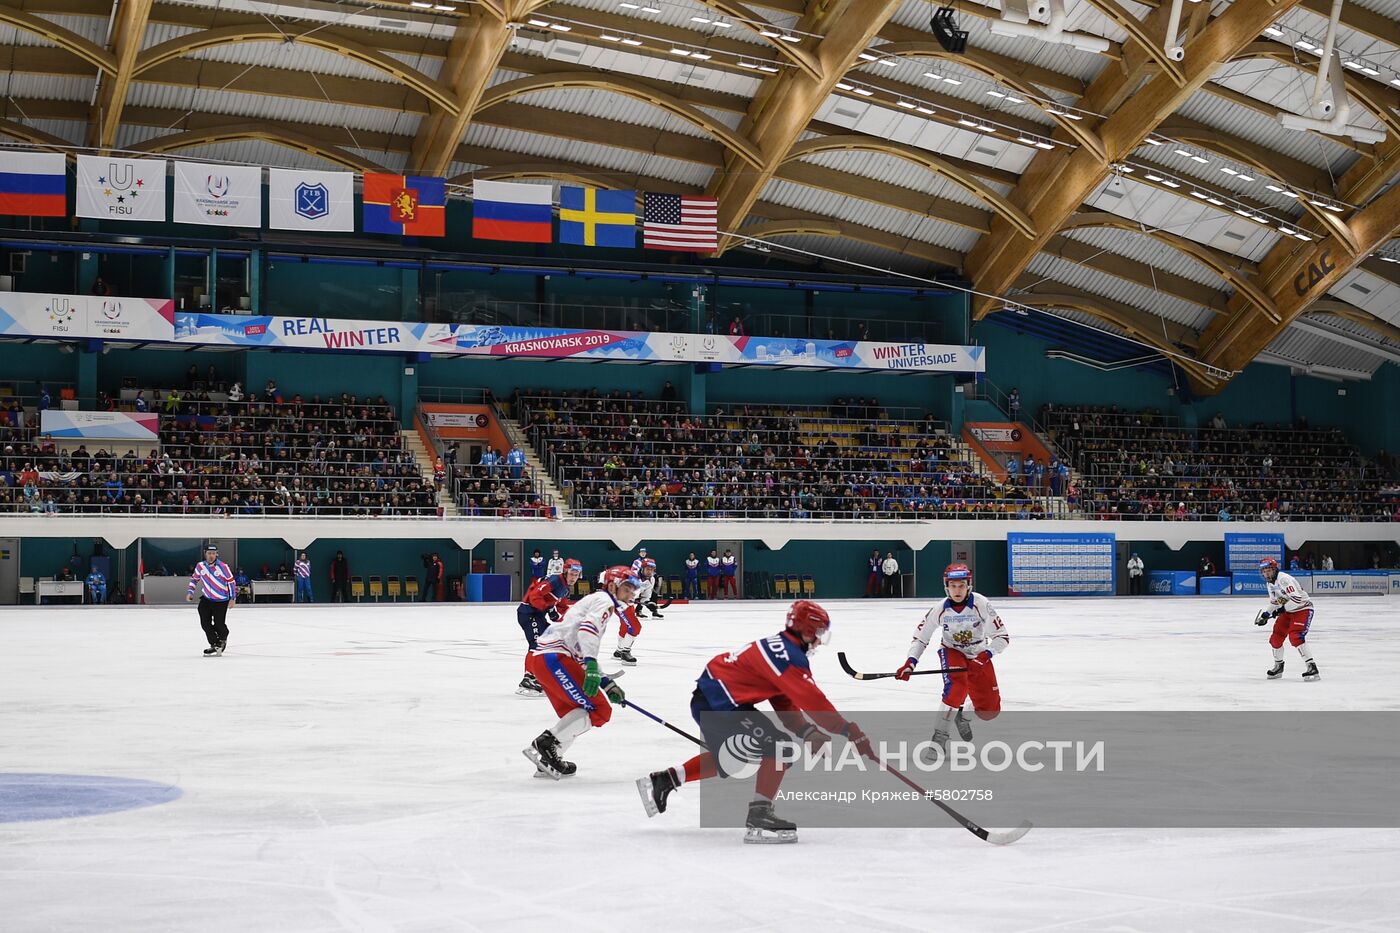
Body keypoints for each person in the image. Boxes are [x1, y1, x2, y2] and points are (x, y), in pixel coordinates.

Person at [636, 600, 876, 844]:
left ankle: (666, 779)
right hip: (719, 702)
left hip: (714, 698)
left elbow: (783, 701)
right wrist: (849, 730)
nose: (819, 641)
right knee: (780, 748)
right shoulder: (789, 656)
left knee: (734, 758)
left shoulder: (783, 648)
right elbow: (814, 700)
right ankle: (759, 815)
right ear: (808, 630)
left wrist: (807, 731)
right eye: (820, 633)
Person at [522, 565, 638, 780]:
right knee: (600, 710)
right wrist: (592, 665)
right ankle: (546, 744)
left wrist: (606, 683)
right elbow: (587, 631)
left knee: (577, 710)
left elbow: (580, 650)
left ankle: (547, 760)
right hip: (554, 659)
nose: (632, 593)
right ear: (613, 585)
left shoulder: (597, 600)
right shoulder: (605, 601)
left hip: (545, 660)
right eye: (628, 588)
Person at [895, 563, 1008, 752]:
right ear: (946, 586)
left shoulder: (981, 604)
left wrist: (984, 656)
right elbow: (921, 638)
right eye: (953, 585)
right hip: (952, 651)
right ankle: (940, 736)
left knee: (990, 711)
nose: (957, 590)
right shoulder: (940, 609)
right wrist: (910, 662)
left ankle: (963, 716)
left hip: (978, 654)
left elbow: (1002, 637)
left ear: (969, 585)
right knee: (957, 687)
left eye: (961, 585)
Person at [516, 558, 582, 696]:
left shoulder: (565, 587)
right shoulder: (555, 581)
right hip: (528, 613)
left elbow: (562, 606)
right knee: (536, 644)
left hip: (538, 615)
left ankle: (537, 676)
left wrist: (573, 618)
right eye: (571, 574)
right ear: (565, 572)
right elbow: (535, 595)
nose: (574, 578)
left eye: (576, 575)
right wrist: (548, 608)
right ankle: (528, 678)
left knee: (549, 644)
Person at [1255, 558, 1320, 681]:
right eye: (1264, 571)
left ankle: (1312, 667)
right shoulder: (1270, 583)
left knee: (1296, 636)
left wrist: (1280, 610)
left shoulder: (1284, 579)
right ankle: (1278, 666)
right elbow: (1275, 601)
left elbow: (1296, 599)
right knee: (1275, 638)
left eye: (1269, 570)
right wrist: (1265, 615)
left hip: (1302, 609)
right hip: (1288, 611)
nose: (1266, 574)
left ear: (1274, 570)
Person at [186, 543, 236, 657]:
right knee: (205, 623)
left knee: (219, 624)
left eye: (213, 553)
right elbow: (194, 579)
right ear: (205, 554)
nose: (211, 556)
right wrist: (190, 592)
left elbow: (231, 581)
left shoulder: (223, 567)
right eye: (209, 553)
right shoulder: (200, 566)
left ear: (216, 554)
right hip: (207, 599)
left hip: (221, 600)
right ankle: (214, 643)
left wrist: (232, 598)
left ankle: (223, 637)